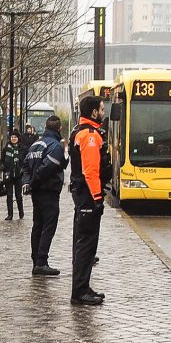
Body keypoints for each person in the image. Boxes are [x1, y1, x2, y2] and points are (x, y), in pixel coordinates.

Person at [68, 95, 110, 306]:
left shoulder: (79, 131)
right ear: (94, 112)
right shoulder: (90, 136)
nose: (104, 113)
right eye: (102, 109)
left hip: (81, 194)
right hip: (87, 195)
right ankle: (80, 291)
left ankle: (83, 286)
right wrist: (97, 198)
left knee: (83, 242)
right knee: (86, 244)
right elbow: (91, 171)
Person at [22, 116, 69, 276]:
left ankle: (36, 261)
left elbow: (26, 166)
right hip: (48, 191)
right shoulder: (54, 146)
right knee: (48, 226)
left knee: (38, 225)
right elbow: (47, 168)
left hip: (36, 193)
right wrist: (33, 182)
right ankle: (41, 262)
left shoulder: (35, 144)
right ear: (59, 128)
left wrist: (27, 183)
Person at [1, 131, 25, 220]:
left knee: (18, 195)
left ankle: (21, 212)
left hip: (18, 175)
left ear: (18, 138)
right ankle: (10, 214)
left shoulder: (22, 148)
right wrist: (3, 168)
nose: (13, 139)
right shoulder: (6, 148)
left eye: (15, 137)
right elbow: (2, 160)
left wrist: (22, 169)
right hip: (8, 174)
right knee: (9, 195)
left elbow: (25, 161)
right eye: (12, 137)